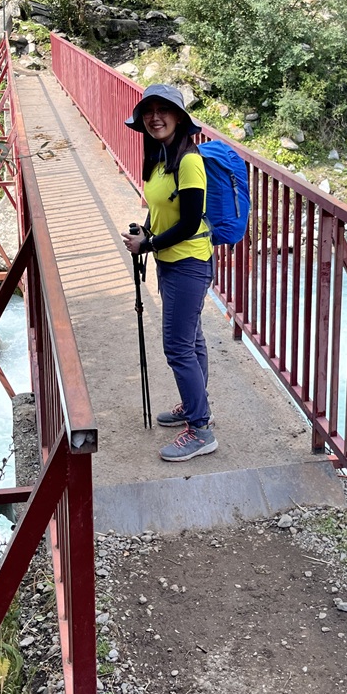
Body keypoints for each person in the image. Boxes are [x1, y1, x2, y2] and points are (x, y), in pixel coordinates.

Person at [122, 84, 217, 462]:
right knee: (192, 340)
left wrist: (147, 246)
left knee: (178, 348)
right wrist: (146, 231)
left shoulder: (189, 160)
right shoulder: (160, 158)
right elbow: (163, 209)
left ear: (179, 117)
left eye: (163, 110)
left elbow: (191, 221)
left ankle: (201, 430)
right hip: (172, 261)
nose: (154, 117)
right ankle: (195, 406)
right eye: (148, 111)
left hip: (188, 262)